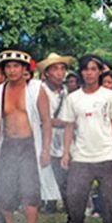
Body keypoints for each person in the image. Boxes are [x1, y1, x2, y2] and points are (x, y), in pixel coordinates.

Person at [60, 54, 112, 223]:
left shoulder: (110, 96)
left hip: (106, 153)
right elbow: (69, 127)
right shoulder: (73, 98)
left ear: (100, 71)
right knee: (75, 193)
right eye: (85, 69)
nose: (89, 73)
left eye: (93, 69)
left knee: (109, 196)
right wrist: (66, 152)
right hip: (81, 154)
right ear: (81, 72)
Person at [0, 49, 57, 223]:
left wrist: (46, 149)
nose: (12, 71)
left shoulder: (36, 88)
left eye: (16, 66)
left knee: (30, 187)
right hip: (8, 144)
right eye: (8, 67)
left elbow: (46, 121)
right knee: (5, 185)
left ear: (23, 69)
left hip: (29, 144)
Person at [37, 53, 74, 211]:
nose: (59, 73)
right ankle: (49, 202)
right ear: (46, 73)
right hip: (46, 136)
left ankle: (67, 203)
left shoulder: (66, 92)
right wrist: (54, 122)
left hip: (63, 137)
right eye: (55, 69)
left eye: (62, 69)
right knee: (48, 169)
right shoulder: (40, 91)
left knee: (65, 171)